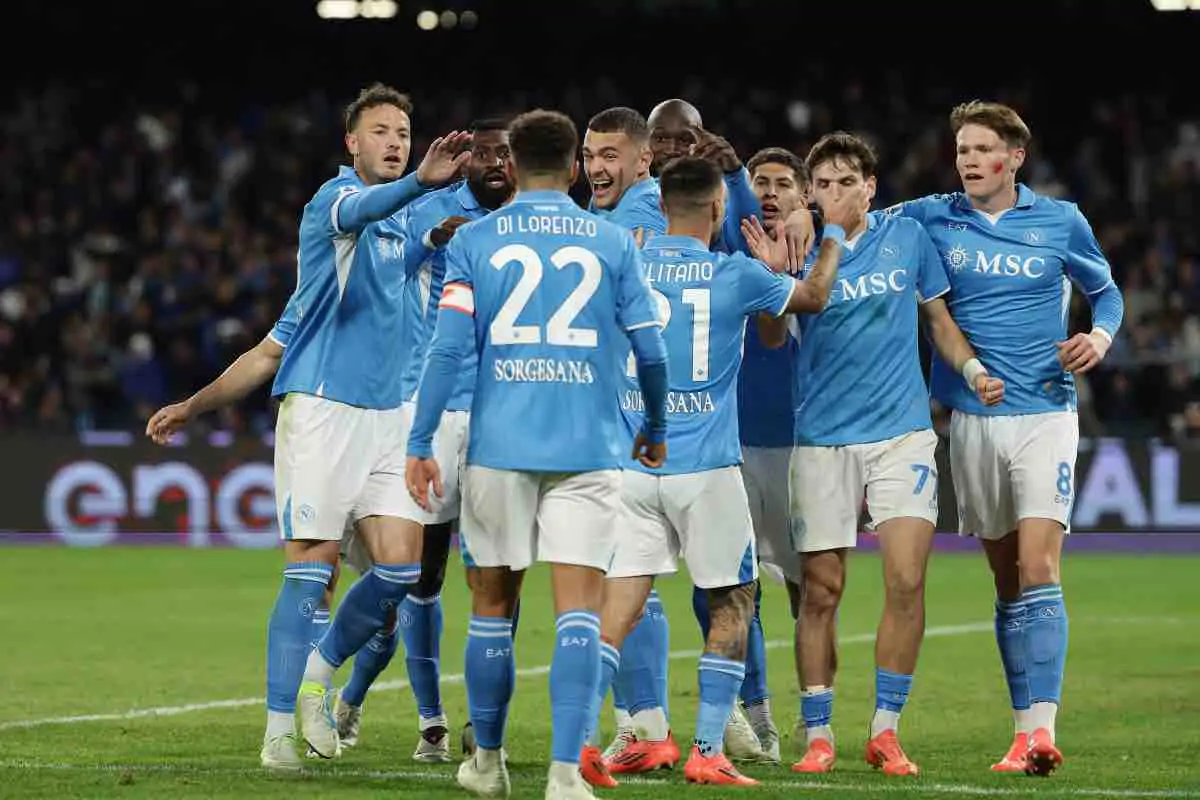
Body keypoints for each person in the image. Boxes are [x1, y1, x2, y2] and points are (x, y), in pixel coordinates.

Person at [148, 82, 470, 770]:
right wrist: (195, 406)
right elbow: (270, 355)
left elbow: (268, 349)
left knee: (401, 569)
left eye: (403, 133)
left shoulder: (400, 235)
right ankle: (276, 735)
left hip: (392, 418)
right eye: (380, 131)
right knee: (311, 572)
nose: (395, 142)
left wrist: (442, 229)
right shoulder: (334, 202)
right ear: (351, 142)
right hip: (324, 413)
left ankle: (318, 676)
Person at [405, 108, 669, 800]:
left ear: (514, 167)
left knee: (492, 606)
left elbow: (447, 351)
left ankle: (487, 763)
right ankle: (564, 774)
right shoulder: (612, 242)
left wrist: (419, 440)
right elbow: (651, 350)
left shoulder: (475, 241)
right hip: (588, 447)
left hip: (500, 447)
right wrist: (656, 423)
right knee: (579, 610)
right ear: (575, 167)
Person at [580, 155, 840, 788]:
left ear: (663, 205)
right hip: (706, 469)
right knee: (733, 600)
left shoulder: (623, 263)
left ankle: (582, 739)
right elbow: (813, 298)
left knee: (619, 606)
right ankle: (706, 749)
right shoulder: (737, 273)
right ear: (720, 208)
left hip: (634, 465)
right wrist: (829, 234)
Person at [882, 101, 1124, 776]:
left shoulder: (1061, 220)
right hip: (971, 419)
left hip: (1046, 412)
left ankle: (1043, 731)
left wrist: (1099, 337)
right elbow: (859, 220)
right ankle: (1021, 734)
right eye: (962, 148)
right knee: (1007, 578)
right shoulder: (931, 216)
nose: (968, 159)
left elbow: (1107, 293)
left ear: (1015, 157)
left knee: (1040, 566)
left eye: (982, 148)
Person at [762, 131, 1005, 777]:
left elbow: (939, 322)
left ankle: (886, 731)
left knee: (906, 579)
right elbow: (771, 335)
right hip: (822, 439)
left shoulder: (907, 237)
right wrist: (773, 275)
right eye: (823, 184)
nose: (835, 193)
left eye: (847, 182)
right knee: (820, 590)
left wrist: (974, 370)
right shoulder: (798, 247)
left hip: (902, 434)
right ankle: (818, 733)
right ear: (810, 192)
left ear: (870, 188)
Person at [328, 118, 518, 763]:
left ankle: (482, 724)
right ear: (465, 162)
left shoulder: (535, 220)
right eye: (483, 153)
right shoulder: (430, 208)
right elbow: (394, 272)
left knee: (499, 575)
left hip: (502, 416)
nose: (495, 164)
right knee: (417, 577)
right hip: (430, 411)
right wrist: (436, 234)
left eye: (506, 154)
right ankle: (422, 716)